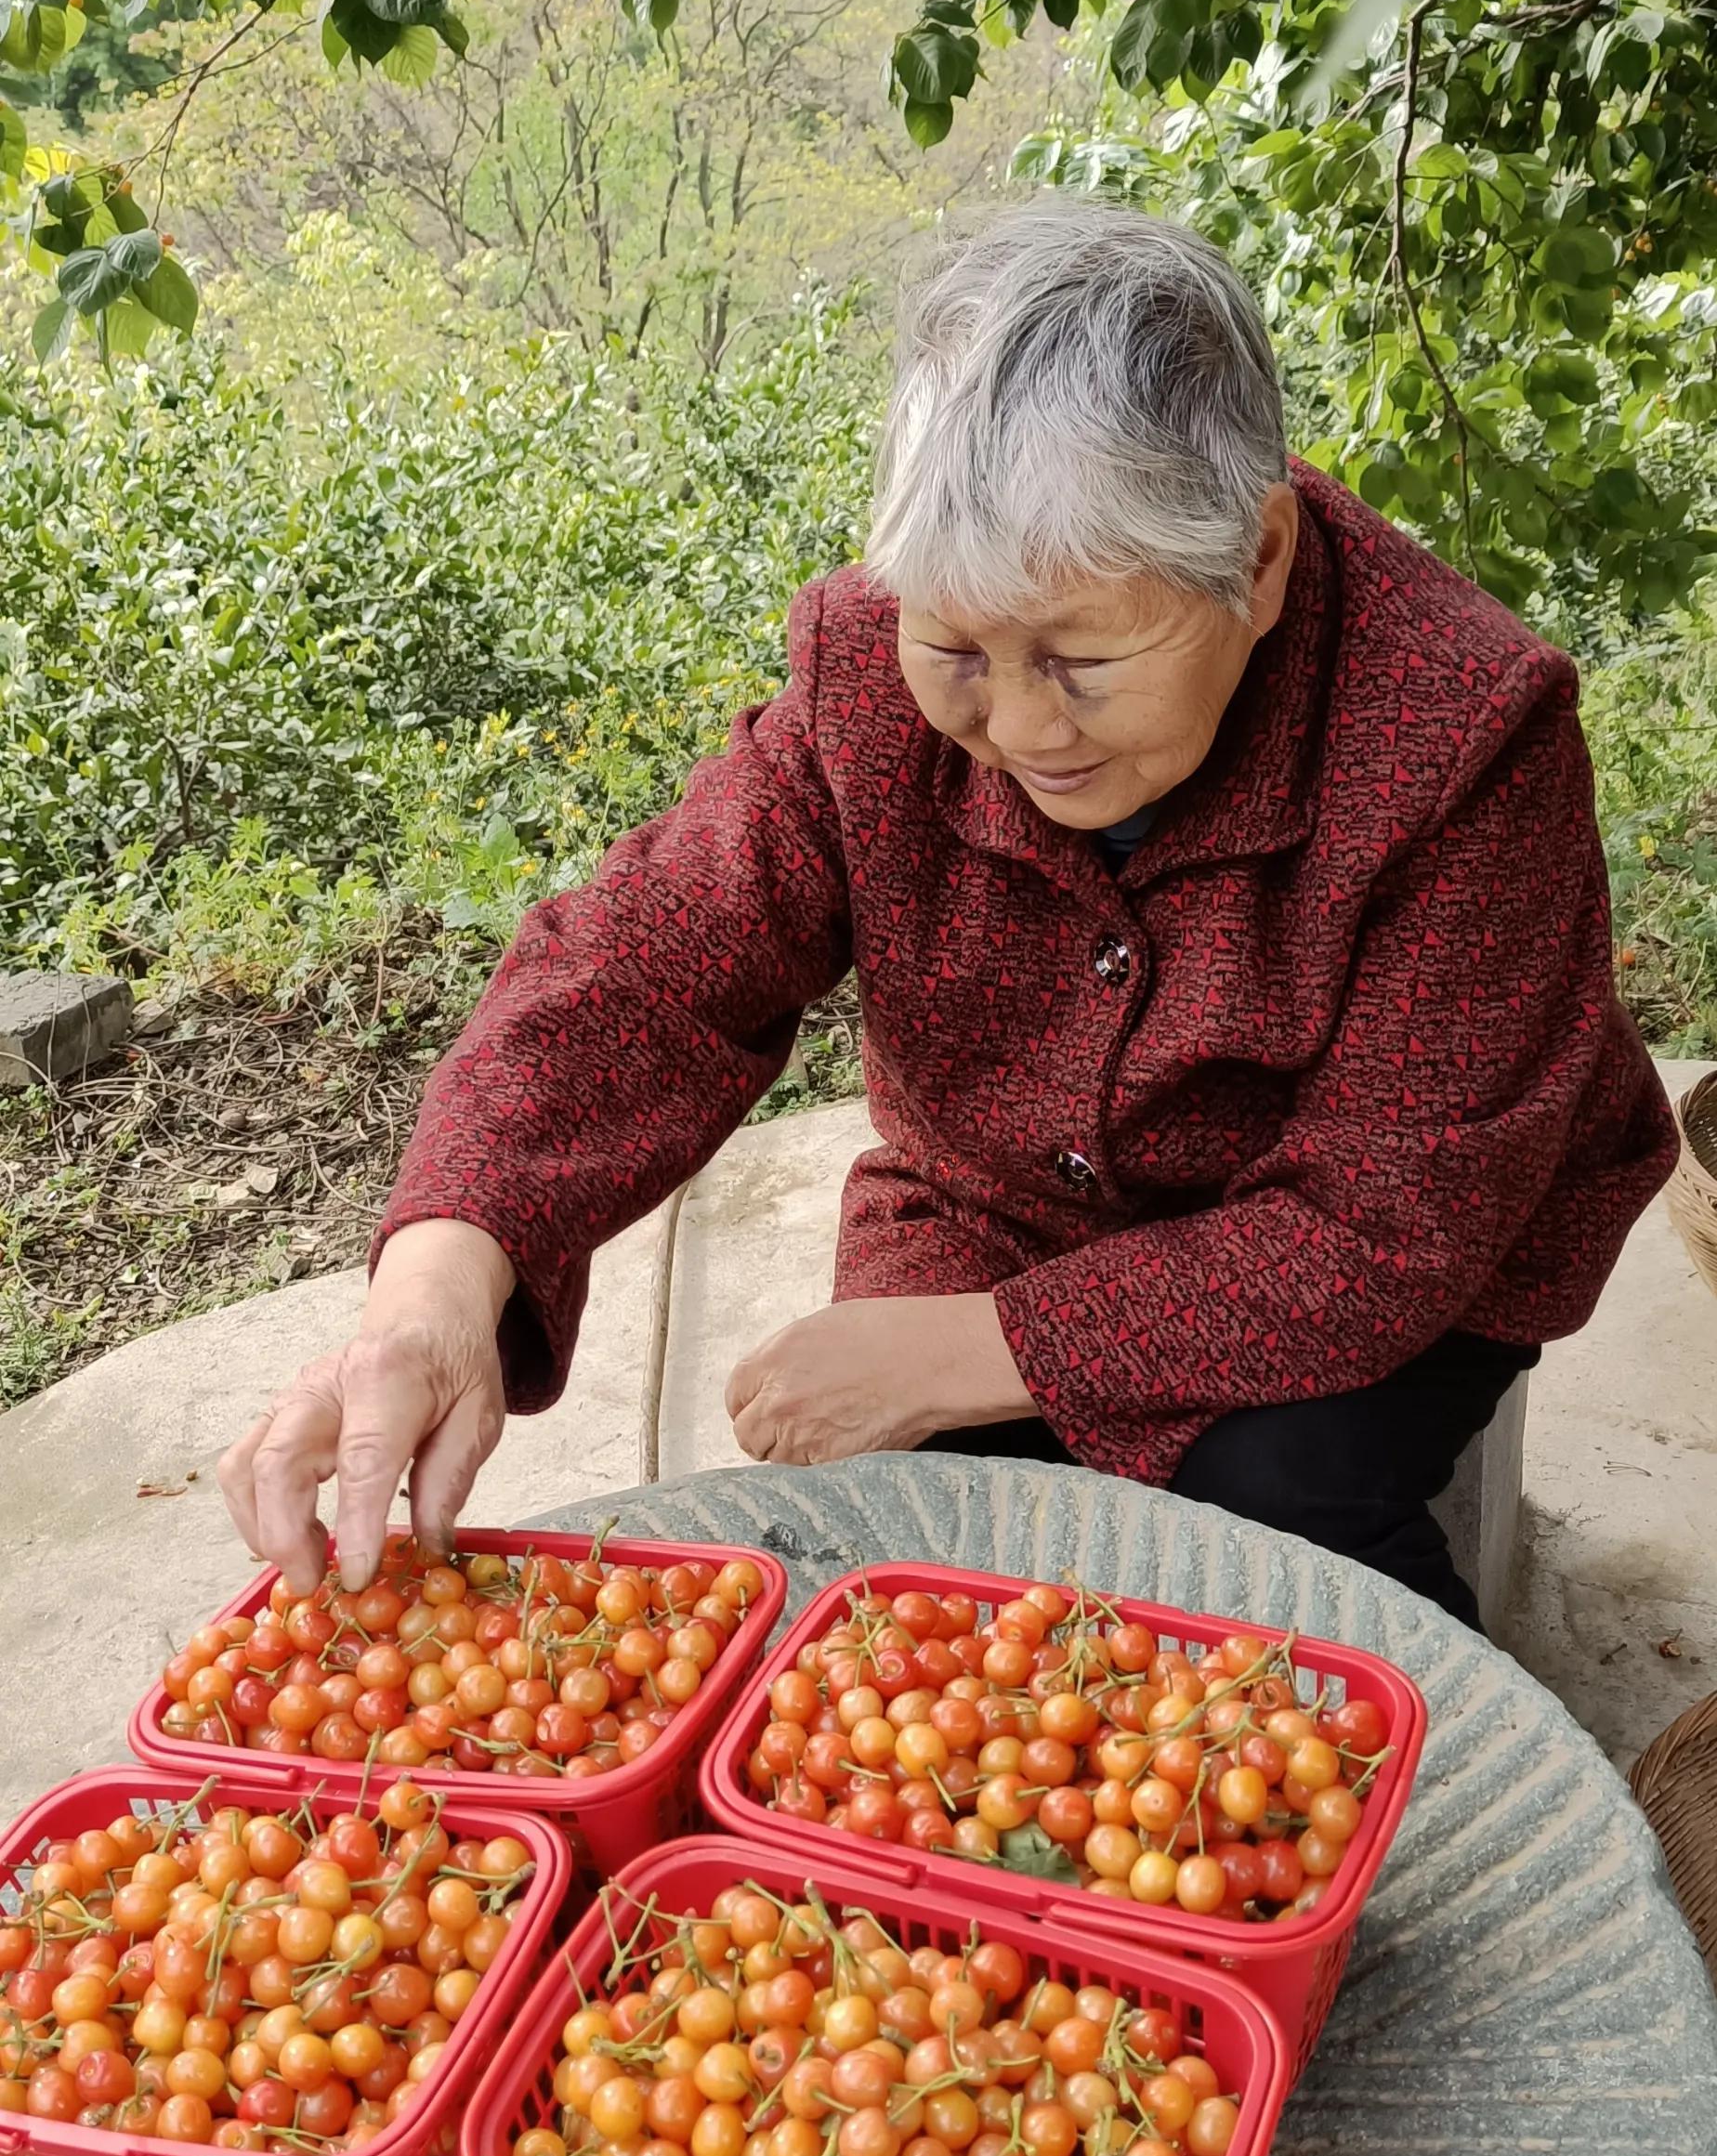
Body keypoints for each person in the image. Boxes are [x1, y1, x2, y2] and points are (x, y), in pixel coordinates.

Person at [220, 203, 1676, 1626]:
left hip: (1383, 1253)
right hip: (1000, 1204)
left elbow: (1383, 1230)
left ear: (1261, 561)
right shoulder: (867, 677)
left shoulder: (1466, 733)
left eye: (1080, 660)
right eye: (958, 647)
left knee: (1270, 1530)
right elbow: (645, 969)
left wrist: (966, 1350)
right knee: (904, 1577)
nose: (1023, 724)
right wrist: (434, 1286)